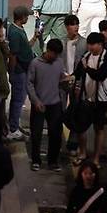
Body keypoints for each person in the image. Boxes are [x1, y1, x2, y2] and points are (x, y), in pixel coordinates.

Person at [71, 31, 107, 165]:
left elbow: (100, 75)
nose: (89, 47)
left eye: (92, 44)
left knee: (99, 129)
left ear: (100, 44)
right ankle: (82, 153)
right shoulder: (86, 56)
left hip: (101, 100)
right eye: (89, 44)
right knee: (81, 127)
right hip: (86, 98)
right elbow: (77, 73)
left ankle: (96, 158)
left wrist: (87, 68)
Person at [27, 37, 66, 171]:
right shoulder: (35, 63)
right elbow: (29, 83)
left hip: (55, 103)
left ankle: (53, 161)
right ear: (48, 50)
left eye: (57, 55)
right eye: (54, 54)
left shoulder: (59, 62)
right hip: (39, 103)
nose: (55, 57)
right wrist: (35, 101)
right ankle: (36, 160)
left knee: (55, 133)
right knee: (36, 133)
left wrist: (67, 81)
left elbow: (61, 78)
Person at [6, 4, 35, 140]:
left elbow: (25, 48)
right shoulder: (14, 33)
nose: (28, 18)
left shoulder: (19, 29)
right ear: (21, 17)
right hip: (19, 71)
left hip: (23, 69)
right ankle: (13, 128)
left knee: (20, 99)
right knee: (18, 100)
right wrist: (12, 73)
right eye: (26, 16)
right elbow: (13, 56)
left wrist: (35, 38)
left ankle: (15, 125)